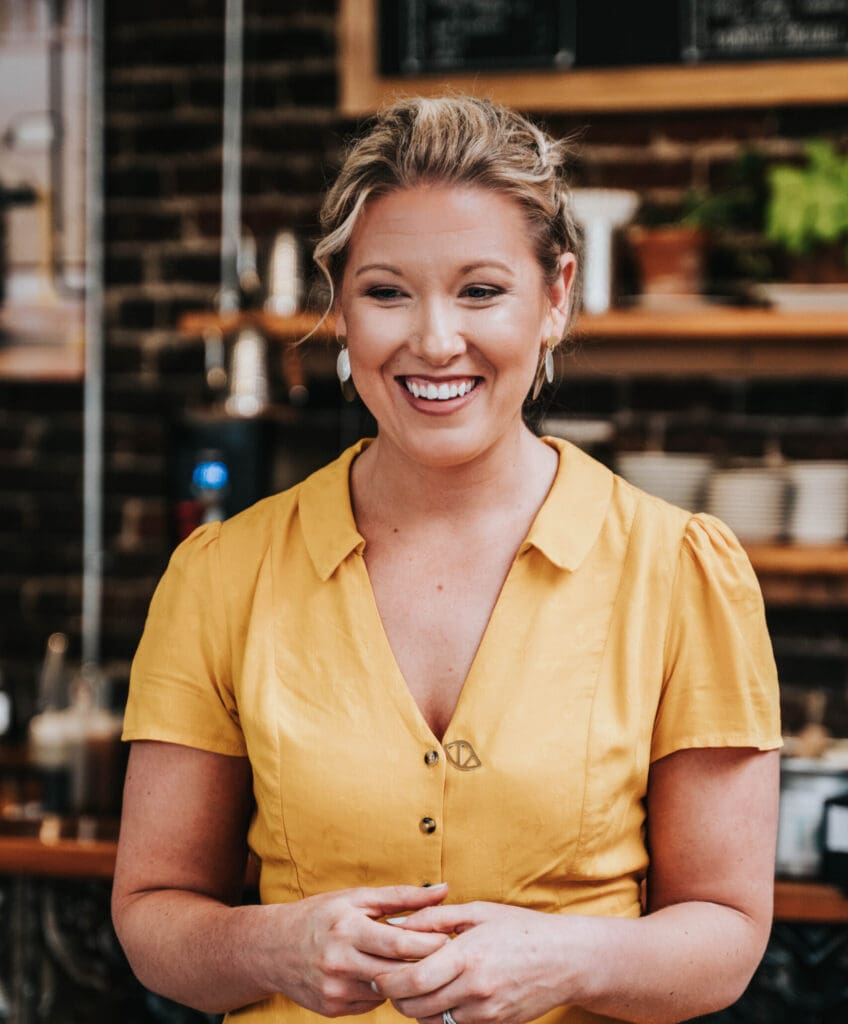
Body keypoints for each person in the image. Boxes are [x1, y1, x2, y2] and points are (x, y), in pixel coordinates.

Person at [112, 95, 782, 1024]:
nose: (434, 340)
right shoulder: (224, 573)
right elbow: (151, 917)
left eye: (480, 290)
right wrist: (273, 944)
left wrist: (569, 960)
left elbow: (727, 934)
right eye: (387, 291)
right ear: (339, 307)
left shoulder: (679, 571)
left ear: (555, 299)